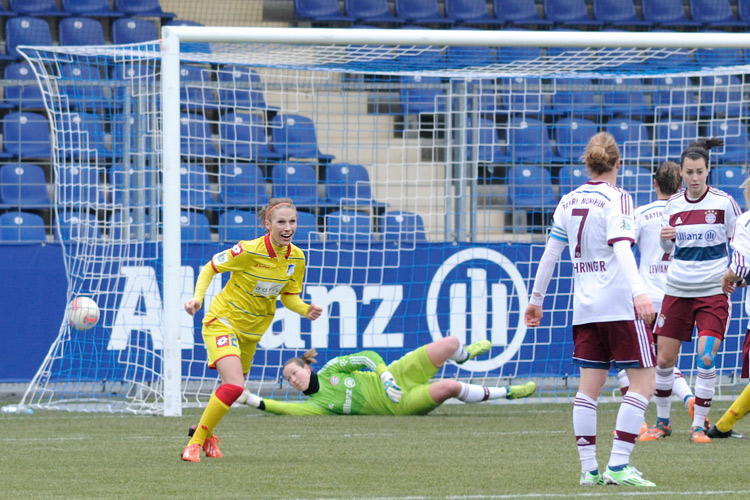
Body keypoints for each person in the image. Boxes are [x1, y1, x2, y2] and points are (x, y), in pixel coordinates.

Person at [525, 132, 657, 487]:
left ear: (587, 163)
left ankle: (588, 470)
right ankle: (617, 464)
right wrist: (640, 292)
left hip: (584, 310)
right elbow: (623, 248)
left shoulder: (567, 200)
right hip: (618, 305)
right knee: (644, 384)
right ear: (618, 163)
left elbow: (550, 254)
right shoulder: (618, 198)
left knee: (588, 391)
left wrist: (536, 300)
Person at [181, 198, 324, 462]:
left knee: (231, 387)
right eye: (281, 221)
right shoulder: (247, 250)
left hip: (252, 333)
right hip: (222, 321)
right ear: (267, 224)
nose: (288, 227)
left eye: (292, 221)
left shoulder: (297, 257)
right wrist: (198, 298)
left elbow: (289, 296)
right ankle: (195, 443)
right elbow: (209, 268)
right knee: (235, 385)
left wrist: (306, 309)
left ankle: (206, 433)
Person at [647, 138, 741, 444]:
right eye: (689, 172)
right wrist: (664, 239)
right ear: (682, 174)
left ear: (708, 170)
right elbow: (667, 247)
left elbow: (741, 241)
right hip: (677, 289)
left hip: (713, 292)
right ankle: (662, 423)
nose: (695, 178)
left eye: (700, 171)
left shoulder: (724, 203)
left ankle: (698, 426)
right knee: (663, 360)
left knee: (706, 358)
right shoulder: (672, 206)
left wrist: (737, 273)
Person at [614, 162, 702, 438]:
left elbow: (623, 249)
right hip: (678, 296)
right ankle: (688, 398)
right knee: (664, 362)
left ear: (654, 184)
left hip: (645, 300)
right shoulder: (687, 212)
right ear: (680, 185)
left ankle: (638, 419)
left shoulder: (640, 214)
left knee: (633, 362)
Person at [236, 336, 536, 416]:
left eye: (294, 372)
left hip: (396, 376)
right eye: (288, 380)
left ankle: (465, 354)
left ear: (307, 366)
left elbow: (369, 357)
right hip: (400, 405)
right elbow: (283, 409)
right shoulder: (316, 405)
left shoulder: (331, 370)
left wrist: (385, 376)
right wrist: (250, 399)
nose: (293, 380)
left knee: (450, 343)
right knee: (450, 386)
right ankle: (508, 392)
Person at [706, 175, 750, 440]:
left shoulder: (745, 221)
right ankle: (721, 427)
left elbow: (742, 265)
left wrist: (729, 276)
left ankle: (720, 427)